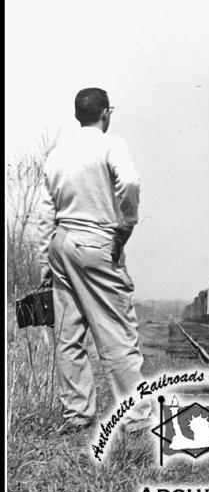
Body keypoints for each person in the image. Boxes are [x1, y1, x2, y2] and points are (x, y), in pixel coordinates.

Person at [37, 88, 153, 433]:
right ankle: (135, 417)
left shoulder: (56, 154)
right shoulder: (111, 144)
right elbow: (130, 182)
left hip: (61, 244)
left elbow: (45, 213)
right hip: (97, 242)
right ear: (106, 113)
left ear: (77, 116)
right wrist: (127, 222)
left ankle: (77, 415)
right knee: (116, 332)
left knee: (68, 335)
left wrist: (45, 261)